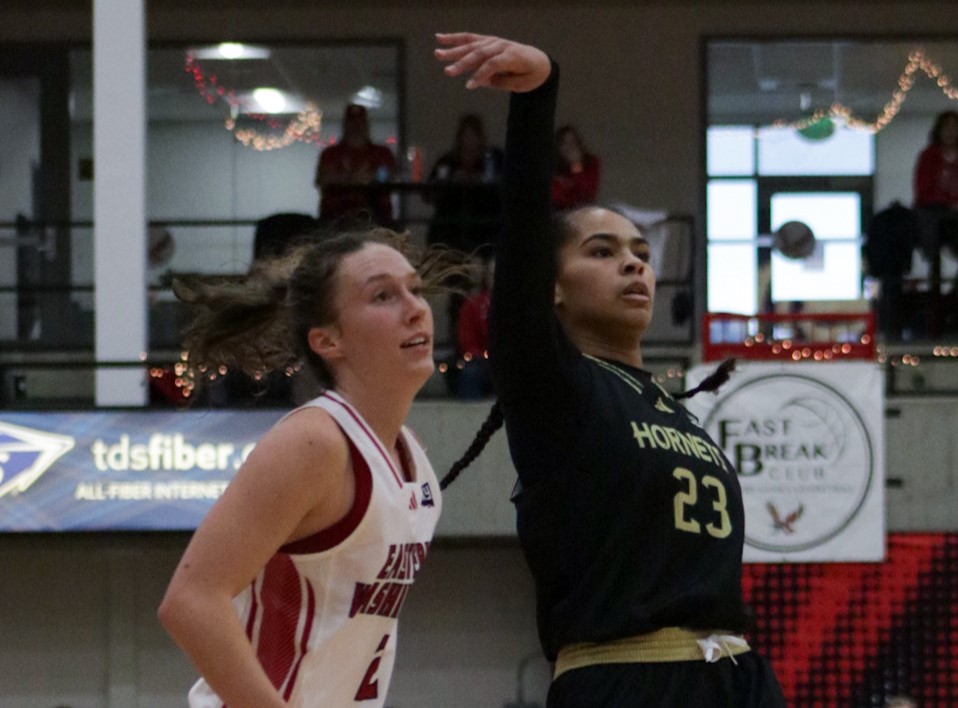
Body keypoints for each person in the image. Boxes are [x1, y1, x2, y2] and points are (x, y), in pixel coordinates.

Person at [435, 32, 785, 706]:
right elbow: (521, 227)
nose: (634, 264)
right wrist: (538, 98)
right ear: (551, 286)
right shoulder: (557, 387)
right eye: (601, 251)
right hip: (628, 682)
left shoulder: (665, 403)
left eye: (641, 252)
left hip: (737, 678)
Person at [158, 228, 461, 708]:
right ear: (328, 340)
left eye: (415, 290)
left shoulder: (411, 457)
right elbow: (191, 602)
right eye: (383, 295)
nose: (415, 307)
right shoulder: (315, 442)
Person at [425, 113, 504, 252]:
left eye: (473, 134)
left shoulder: (493, 158)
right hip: (450, 226)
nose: (469, 139)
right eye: (466, 135)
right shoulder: (448, 161)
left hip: (485, 225)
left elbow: (504, 185)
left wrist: (480, 179)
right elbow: (429, 192)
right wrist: (452, 180)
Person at [315, 104, 397, 228]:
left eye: (360, 122)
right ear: (345, 124)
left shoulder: (382, 153)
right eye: (352, 122)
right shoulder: (330, 154)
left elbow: (388, 177)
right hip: (336, 220)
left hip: (376, 219)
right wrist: (352, 179)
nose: (356, 126)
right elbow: (323, 179)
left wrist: (371, 179)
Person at [454, 253, 494, 399]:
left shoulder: (517, 305)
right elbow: (467, 341)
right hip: (481, 361)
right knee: (470, 372)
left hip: (510, 360)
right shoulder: (472, 305)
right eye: (492, 274)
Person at [551, 124, 600, 209]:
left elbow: (587, 195)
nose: (569, 147)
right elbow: (555, 197)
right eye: (564, 143)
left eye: (572, 142)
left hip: (581, 213)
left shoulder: (591, 162)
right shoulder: (554, 167)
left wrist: (576, 165)